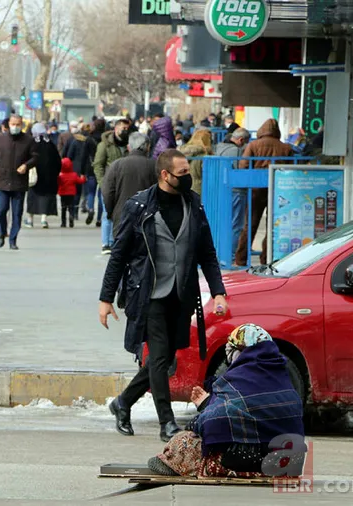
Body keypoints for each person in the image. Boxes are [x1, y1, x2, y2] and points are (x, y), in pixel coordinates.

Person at [99, 149, 227, 443]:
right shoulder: (140, 206)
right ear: (165, 175)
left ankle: (123, 402)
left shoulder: (193, 205)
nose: (188, 178)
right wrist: (106, 298)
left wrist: (218, 292)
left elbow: (206, 253)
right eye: (183, 173)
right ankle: (166, 422)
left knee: (166, 358)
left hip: (180, 295)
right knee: (157, 357)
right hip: (149, 295)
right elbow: (118, 255)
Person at [147, 324, 305, 478]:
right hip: (288, 464)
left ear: (241, 352)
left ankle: (176, 463)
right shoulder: (285, 382)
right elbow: (240, 413)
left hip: (249, 460)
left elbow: (212, 423)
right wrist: (210, 403)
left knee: (184, 441)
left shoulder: (239, 379)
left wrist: (203, 411)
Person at [234, 119, 293, 266]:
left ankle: (241, 259)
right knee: (272, 225)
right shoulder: (285, 147)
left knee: (250, 224)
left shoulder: (253, 145)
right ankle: (266, 258)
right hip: (278, 189)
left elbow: (243, 165)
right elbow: (292, 169)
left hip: (256, 190)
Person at [0, 114, 37, 250]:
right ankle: (2, 232)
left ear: (22, 125)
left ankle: (13, 239)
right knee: (1, 210)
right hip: (3, 181)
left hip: (19, 183)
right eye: (13, 124)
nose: (15, 127)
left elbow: (35, 157)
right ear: (9, 124)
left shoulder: (28, 140)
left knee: (17, 213)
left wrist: (26, 165)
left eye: (18, 124)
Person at [103, 132, 157, 230]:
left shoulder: (116, 165)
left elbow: (107, 193)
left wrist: (110, 212)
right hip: (147, 217)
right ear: (148, 147)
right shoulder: (154, 166)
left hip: (121, 216)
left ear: (129, 147)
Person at [94, 118, 131, 253]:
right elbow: (98, 165)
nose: (125, 131)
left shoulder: (129, 145)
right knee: (108, 212)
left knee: (122, 213)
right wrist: (102, 183)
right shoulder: (105, 145)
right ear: (116, 128)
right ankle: (106, 243)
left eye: (127, 129)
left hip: (124, 184)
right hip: (109, 185)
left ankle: (115, 240)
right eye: (123, 128)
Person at [215, 128, 251, 257]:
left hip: (221, 189)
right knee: (237, 223)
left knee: (224, 221)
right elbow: (239, 171)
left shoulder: (220, 147)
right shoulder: (236, 151)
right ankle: (231, 253)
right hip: (236, 190)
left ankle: (222, 251)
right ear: (241, 140)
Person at [25, 123, 61, 229]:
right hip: (49, 178)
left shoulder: (31, 143)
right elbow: (58, 161)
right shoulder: (50, 144)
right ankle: (44, 219)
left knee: (32, 197)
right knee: (46, 197)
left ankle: (30, 220)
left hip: (35, 176)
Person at [65, 124, 97, 222]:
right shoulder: (92, 141)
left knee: (76, 192)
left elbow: (69, 156)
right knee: (89, 191)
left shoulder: (75, 141)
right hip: (90, 168)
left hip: (76, 169)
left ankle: (74, 212)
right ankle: (87, 205)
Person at [179, 128, 213, 196]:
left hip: (184, 188)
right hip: (201, 190)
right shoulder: (204, 157)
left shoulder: (182, 153)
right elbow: (210, 175)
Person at [57, 157, 85, 228]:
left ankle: (63, 223)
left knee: (63, 208)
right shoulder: (74, 175)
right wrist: (83, 178)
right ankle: (71, 218)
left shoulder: (61, 175)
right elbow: (80, 181)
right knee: (71, 207)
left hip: (63, 194)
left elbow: (58, 182)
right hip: (71, 194)